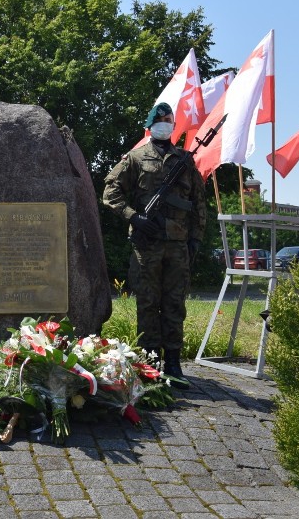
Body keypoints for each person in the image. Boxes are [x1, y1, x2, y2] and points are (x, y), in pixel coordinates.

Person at [102, 102, 206, 389]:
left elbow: (198, 203)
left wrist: (195, 239)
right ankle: (149, 363)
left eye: (170, 120)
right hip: (146, 245)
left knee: (174, 304)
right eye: (160, 120)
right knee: (148, 304)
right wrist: (133, 216)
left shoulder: (185, 160)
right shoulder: (134, 159)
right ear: (151, 125)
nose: (165, 124)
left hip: (177, 245)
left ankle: (173, 362)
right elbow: (111, 193)